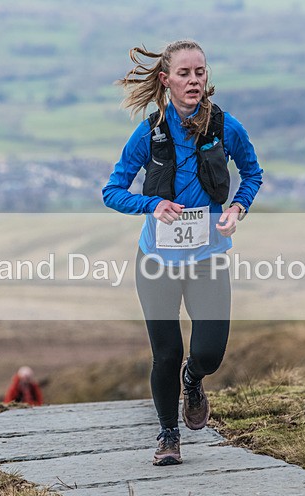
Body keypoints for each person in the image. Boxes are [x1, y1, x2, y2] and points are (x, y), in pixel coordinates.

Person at [103, 40, 263, 466]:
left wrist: (237, 208)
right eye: (184, 73)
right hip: (157, 261)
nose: (194, 81)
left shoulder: (227, 128)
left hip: (208, 257)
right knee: (166, 353)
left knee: (209, 353)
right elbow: (112, 191)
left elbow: (252, 174)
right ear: (165, 80)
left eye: (200, 72)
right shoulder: (149, 133)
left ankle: (193, 380)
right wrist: (151, 204)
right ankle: (168, 435)